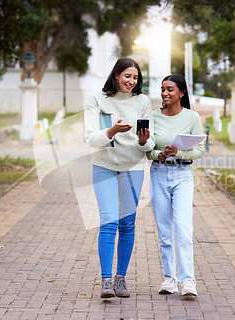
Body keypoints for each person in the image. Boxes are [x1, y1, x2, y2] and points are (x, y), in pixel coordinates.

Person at [84, 57, 154, 299]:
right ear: (116, 75)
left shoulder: (143, 101)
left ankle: (120, 279)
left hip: (132, 168)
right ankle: (105, 281)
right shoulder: (97, 99)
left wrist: (144, 140)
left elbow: (149, 143)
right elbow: (91, 138)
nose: (131, 81)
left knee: (127, 224)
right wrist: (112, 130)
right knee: (109, 221)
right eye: (127, 76)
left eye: (135, 77)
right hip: (104, 166)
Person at [147, 74, 204, 297]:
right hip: (158, 174)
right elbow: (146, 149)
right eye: (162, 89)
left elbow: (198, 151)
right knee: (164, 230)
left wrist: (177, 152)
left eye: (170, 89)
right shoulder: (153, 117)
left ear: (181, 92)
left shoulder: (192, 117)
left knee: (183, 228)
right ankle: (170, 278)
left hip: (182, 175)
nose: (165, 93)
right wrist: (157, 154)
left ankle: (188, 280)